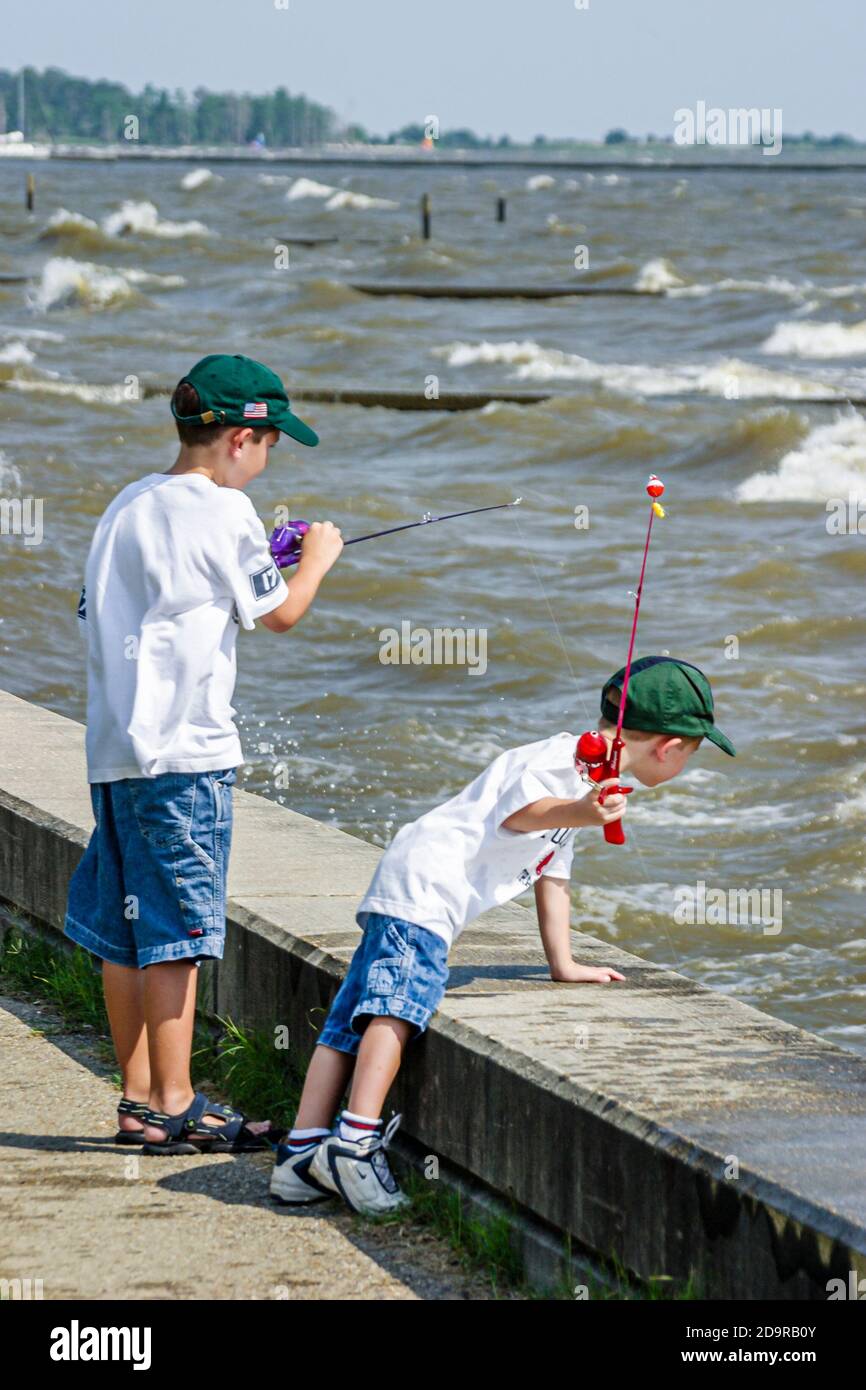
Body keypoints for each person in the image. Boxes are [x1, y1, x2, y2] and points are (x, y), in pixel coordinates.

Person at [270, 655, 735, 1212]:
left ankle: (300, 1156)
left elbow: (552, 873)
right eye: (693, 751)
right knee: (397, 1008)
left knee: (349, 1021)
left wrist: (563, 963)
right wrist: (583, 811)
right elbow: (524, 814)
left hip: (414, 882)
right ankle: (354, 1143)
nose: (688, 761)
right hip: (426, 890)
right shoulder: (562, 760)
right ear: (669, 747)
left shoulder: (592, 775)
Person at [65, 353, 343, 1154]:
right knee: (179, 935)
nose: (267, 464)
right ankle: (178, 1101)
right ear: (238, 440)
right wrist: (316, 557)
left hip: (116, 751)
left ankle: (138, 1100)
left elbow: (112, 609)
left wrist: (256, 563)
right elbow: (283, 614)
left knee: (127, 931)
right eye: (269, 447)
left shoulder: (128, 503)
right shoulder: (226, 512)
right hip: (186, 755)